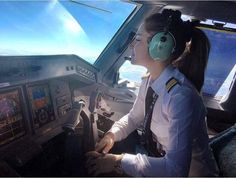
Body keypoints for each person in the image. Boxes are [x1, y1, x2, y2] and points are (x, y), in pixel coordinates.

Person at [86, 9, 219, 176]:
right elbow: (135, 117)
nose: (133, 45)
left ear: (160, 47)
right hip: (159, 159)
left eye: (138, 39)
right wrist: (112, 135)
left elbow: (175, 171)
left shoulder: (180, 97)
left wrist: (117, 161)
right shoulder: (150, 80)